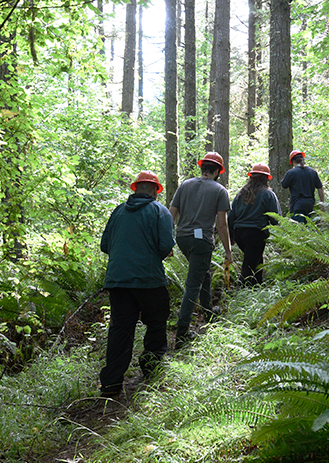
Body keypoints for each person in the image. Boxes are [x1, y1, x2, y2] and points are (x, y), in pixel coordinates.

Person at [99, 171, 175, 397]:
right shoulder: (160, 211)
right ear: (154, 190)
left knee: (120, 330)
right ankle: (151, 372)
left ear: (136, 188)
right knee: (156, 323)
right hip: (149, 280)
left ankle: (111, 385)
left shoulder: (118, 212)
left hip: (117, 281)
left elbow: (105, 246)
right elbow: (165, 246)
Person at [169, 152, 232, 349]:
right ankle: (182, 333)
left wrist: (169, 240)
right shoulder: (220, 191)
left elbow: (171, 214)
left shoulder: (185, 185)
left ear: (202, 168)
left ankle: (208, 312)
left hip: (182, 239)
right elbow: (221, 225)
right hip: (202, 241)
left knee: (203, 273)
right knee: (193, 284)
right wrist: (228, 251)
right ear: (218, 171)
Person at [229, 163, 281, 286]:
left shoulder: (241, 193)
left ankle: (257, 286)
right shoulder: (268, 194)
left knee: (256, 261)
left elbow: (231, 216)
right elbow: (276, 218)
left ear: (251, 177)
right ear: (266, 178)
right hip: (256, 234)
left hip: (239, 234)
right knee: (249, 265)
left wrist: (231, 236)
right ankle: (240, 294)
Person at [280, 150, 325, 222]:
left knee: (298, 229)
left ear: (293, 162)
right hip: (310, 205)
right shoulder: (312, 172)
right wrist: (322, 203)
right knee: (308, 228)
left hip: (297, 205)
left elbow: (283, 186)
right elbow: (320, 188)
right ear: (303, 160)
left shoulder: (291, 173)